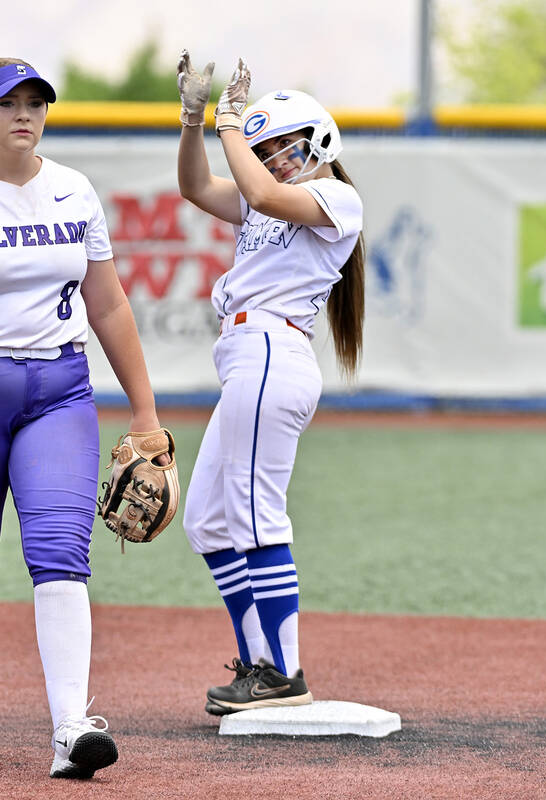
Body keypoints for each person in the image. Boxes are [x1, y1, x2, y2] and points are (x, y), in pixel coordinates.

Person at [0, 57, 167, 779]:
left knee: (61, 552)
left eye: (35, 102)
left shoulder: (73, 191)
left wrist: (144, 410)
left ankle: (70, 729)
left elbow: (107, 303)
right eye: (7, 102)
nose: (24, 113)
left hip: (58, 388)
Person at [175, 51, 365, 715]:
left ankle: (285, 672)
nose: (275, 156)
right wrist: (195, 120)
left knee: (255, 513)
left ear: (318, 141)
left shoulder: (337, 197)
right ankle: (260, 661)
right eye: (268, 147)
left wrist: (232, 122)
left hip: (272, 351)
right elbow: (198, 189)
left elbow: (258, 190)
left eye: (284, 144)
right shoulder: (269, 204)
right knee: (205, 521)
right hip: (244, 357)